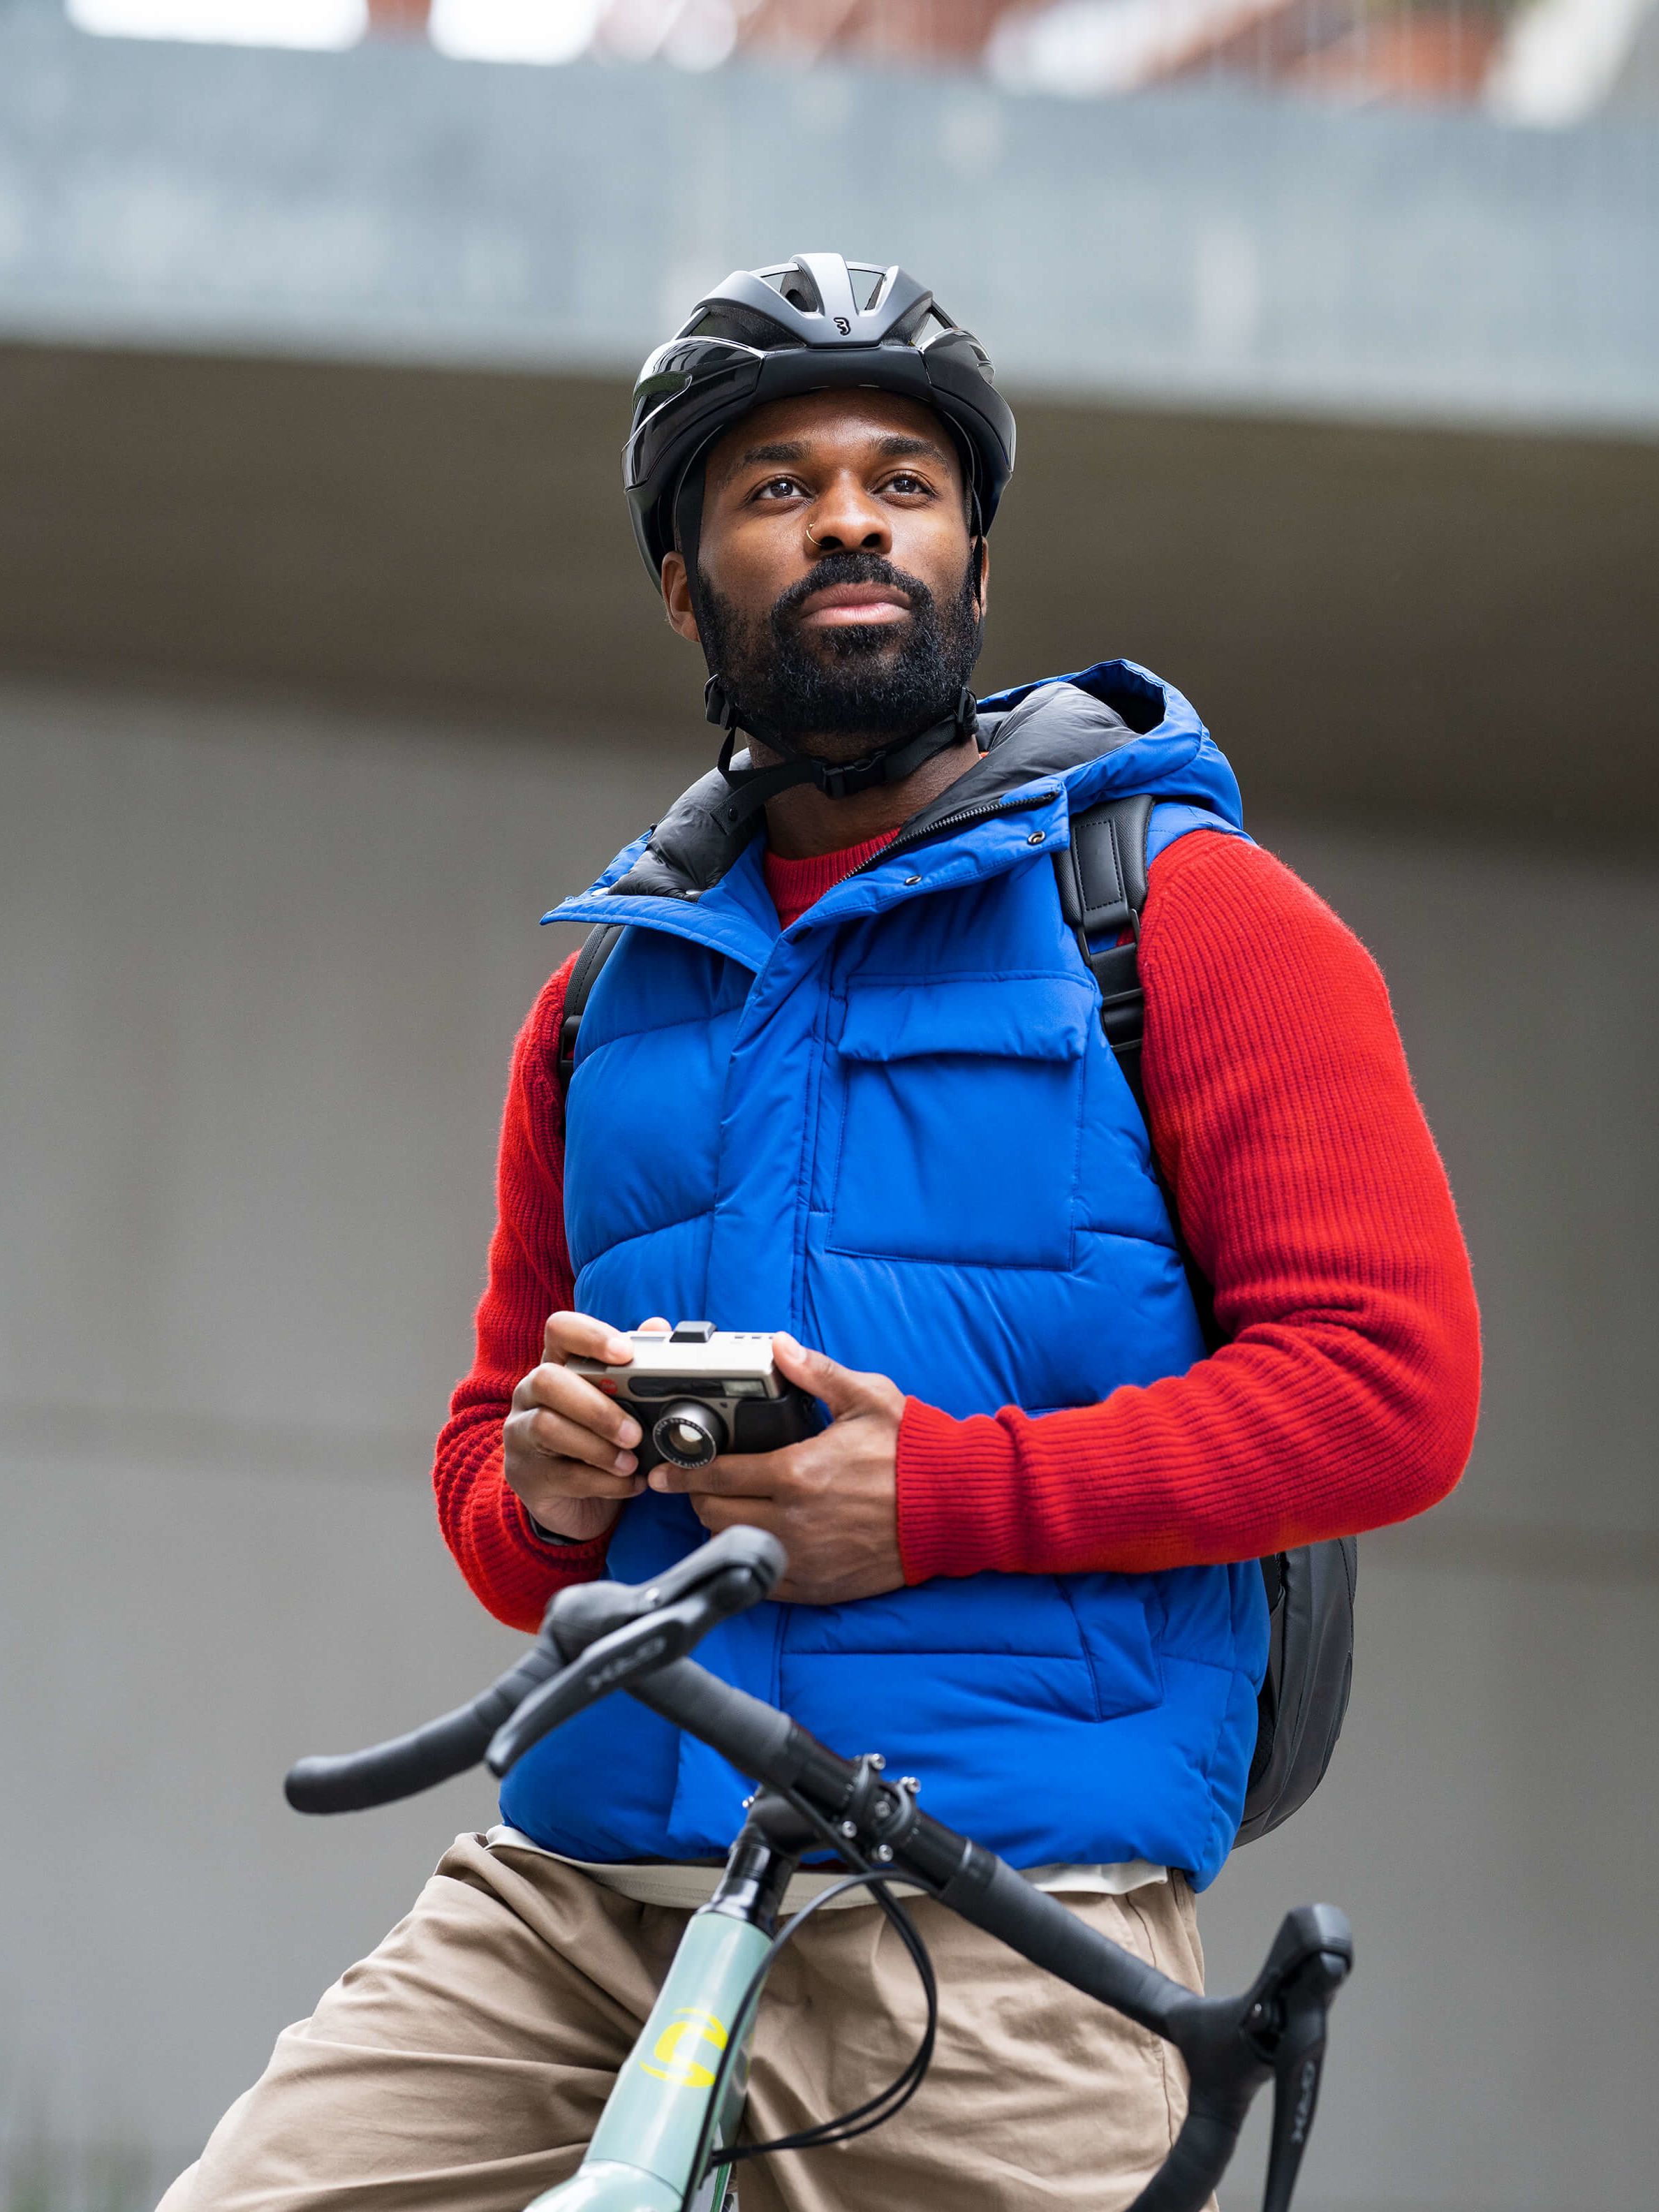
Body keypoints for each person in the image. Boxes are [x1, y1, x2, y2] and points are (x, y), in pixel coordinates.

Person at [163, 255, 1480, 2212]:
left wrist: (933, 1497)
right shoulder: (610, 998)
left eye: (903, 479)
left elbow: (1390, 1398)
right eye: (777, 484)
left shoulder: (1193, 920)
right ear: (687, 582)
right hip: (585, 1893)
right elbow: (491, 1492)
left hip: (1002, 1917)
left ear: (965, 551)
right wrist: (544, 1477)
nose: (851, 514)